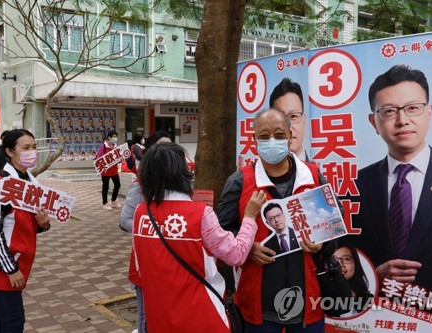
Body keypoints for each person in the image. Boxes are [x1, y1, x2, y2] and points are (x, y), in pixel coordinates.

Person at [217, 108, 335, 332]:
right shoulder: (240, 181)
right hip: (258, 309)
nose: (272, 141)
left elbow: (335, 233)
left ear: (291, 137)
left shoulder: (313, 176)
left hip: (308, 307)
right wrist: (247, 248)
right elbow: (220, 234)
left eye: (280, 135)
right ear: (254, 140)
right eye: (264, 136)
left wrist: (323, 244)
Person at [130, 142, 267, 332]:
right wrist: (250, 217)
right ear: (182, 172)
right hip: (201, 316)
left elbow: (139, 269)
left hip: (159, 318)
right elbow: (236, 254)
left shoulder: (140, 213)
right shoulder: (200, 214)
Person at [350, 64, 432, 304]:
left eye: (413, 108)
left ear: (429, 112)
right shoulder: (357, 183)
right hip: (376, 311)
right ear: (373, 122)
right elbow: (345, 252)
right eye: (388, 111)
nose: (402, 120)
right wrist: (372, 275)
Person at [0, 129, 51, 332]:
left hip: (18, 260)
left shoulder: (29, 182)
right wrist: (10, 269)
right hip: (0, 264)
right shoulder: (1, 185)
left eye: (34, 147)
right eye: (25, 148)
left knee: (1, 319)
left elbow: (25, 224)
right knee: (14, 322)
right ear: (9, 151)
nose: (32, 152)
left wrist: (43, 224)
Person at [120, 130, 173, 333]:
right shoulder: (140, 185)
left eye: (170, 147)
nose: (166, 152)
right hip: (146, 263)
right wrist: (154, 232)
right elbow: (124, 220)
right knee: (146, 320)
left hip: (171, 264)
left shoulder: (181, 185)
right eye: (161, 147)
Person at [270, 78, 309, 162]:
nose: (289, 128)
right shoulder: (255, 173)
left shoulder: (316, 173)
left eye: (293, 116)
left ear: (304, 120)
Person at [333, 241, 373, 317]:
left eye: (346, 259)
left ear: (356, 264)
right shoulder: (318, 298)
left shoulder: (368, 299)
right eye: (334, 259)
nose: (341, 264)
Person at [96, 130, 121, 210]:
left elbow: (118, 158)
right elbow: (98, 159)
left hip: (114, 170)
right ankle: (105, 203)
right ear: (109, 137)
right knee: (106, 187)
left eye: (116, 137)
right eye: (114, 137)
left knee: (117, 185)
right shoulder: (103, 147)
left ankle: (113, 201)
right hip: (106, 171)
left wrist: (121, 159)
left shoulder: (115, 146)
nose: (115, 138)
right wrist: (104, 166)